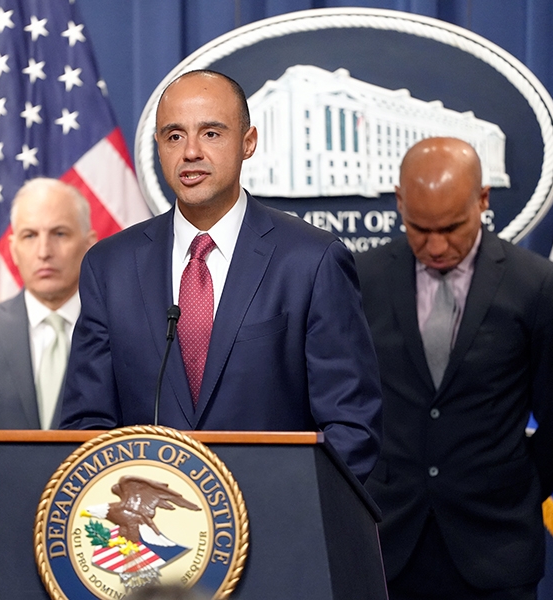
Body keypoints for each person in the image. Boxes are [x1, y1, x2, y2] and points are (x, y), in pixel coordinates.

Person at [59, 70, 382, 482]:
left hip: (276, 530)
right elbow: (88, 425)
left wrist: (286, 516)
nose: (190, 151)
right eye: (174, 136)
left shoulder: (311, 260)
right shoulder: (109, 266)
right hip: (150, 532)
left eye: (211, 133)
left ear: (248, 143)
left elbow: (351, 427)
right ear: (158, 146)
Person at [356, 137, 553, 600]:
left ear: (483, 200)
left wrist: (511, 489)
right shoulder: (362, 278)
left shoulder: (538, 286)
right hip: (386, 544)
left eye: (452, 226)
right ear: (399, 203)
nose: (436, 245)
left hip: (496, 549)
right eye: (419, 228)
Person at [0, 178, 96, 533]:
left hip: (94, 542)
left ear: (89, 244)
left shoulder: (119, 337)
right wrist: (32, 518)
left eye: (59, 234)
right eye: (29, 235)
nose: (43, 251)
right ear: (12, 248)